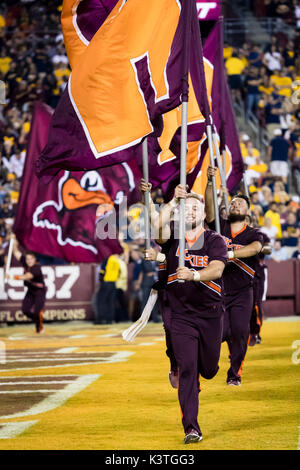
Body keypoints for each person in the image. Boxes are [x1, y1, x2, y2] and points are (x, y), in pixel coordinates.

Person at [152, 185, 227, 444]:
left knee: (208, 369)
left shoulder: (215, 240)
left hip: (210, 313)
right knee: (188, 370)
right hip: (182, 315)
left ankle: (208, 369)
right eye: (188, 207)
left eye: (196, 207)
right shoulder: (174, 235)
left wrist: (194, 275)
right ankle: (191, 427)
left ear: (205, 213)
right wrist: (173, 202)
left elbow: (217, 269)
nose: (191, 210)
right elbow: (156, 229)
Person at [205, 166, 264, 386]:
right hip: (218, 290)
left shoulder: (253, 233)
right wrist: (210, 183)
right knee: (221, 332)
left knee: (240, 331)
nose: (235, 205)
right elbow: (210, 212)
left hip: (242, 291)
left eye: (239, 203)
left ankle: (234, 374)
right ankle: (208, 364)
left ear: (247, 211)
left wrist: (230, 253)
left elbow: (256, 248)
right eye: (232, 203)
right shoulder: (220, 227)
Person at [7, 234, 46, 333]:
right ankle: (39, 320)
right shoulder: (25, 261)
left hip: (39, 291)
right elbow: (15, 251)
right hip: (31, 290)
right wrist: (14, 241)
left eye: (31, 259)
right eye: (27, 259)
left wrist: (12, 277)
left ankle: (39, 327)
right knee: (25, 310)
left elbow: (27, 276)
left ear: (34, 259)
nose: (29, 261)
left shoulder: (36, 268)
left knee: (37, 311)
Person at [95, 253, 120, 324]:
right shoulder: (116, 260)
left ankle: (101, 318)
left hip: (106, 282)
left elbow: (102, 272)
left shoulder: (107, 259)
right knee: (111, 302)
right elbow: (118, 272)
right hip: (113, 283)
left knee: (101, 300)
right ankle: (110, 319)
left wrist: (100, 281)